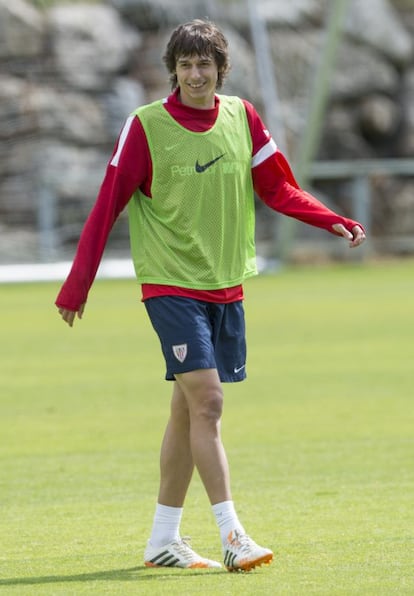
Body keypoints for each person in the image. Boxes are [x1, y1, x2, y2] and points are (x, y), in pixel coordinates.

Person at [55, 19, 366, 572]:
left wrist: (331, 220)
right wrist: (77, 286)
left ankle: (161, 540)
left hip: (225, 287)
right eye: (185, 64)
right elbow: (107, 206)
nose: (195, 74)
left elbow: (278, 186)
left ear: (221, 69)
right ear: (173, 70)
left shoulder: (242, 117)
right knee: (210, 402)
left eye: (205, 64)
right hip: (170, 286)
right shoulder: (146, 125)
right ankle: (232, 535)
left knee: (186, 410)